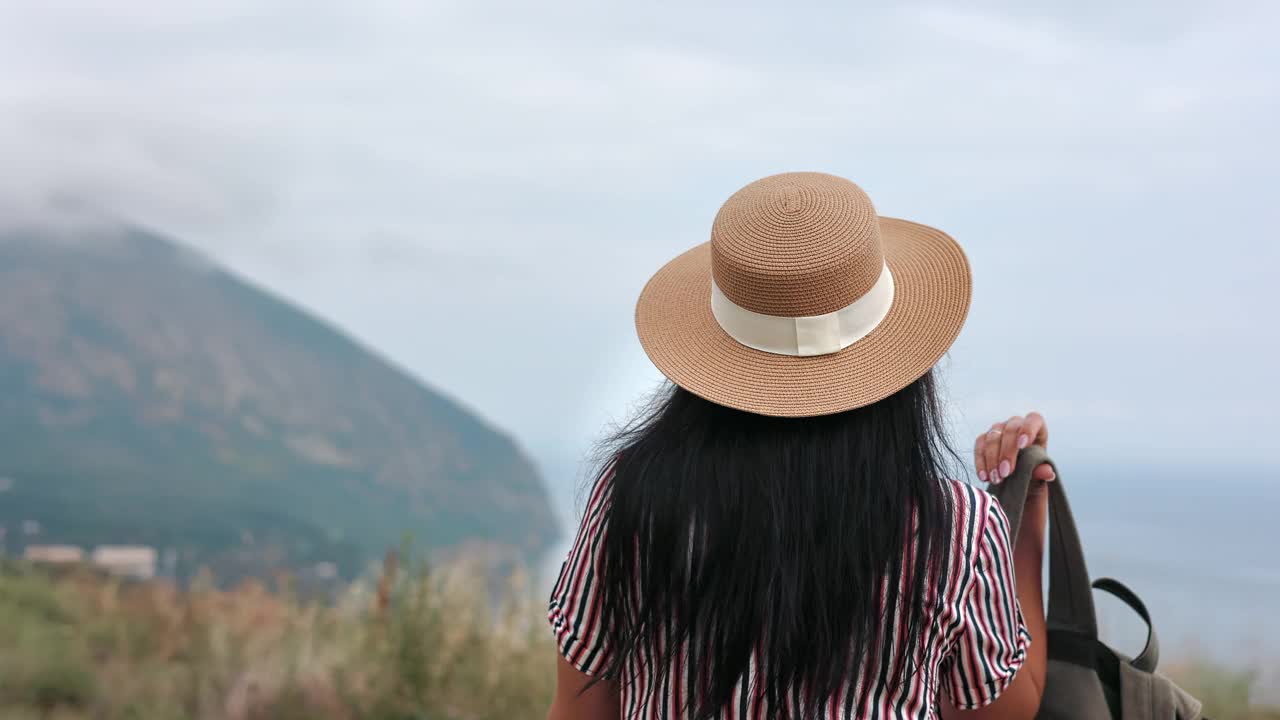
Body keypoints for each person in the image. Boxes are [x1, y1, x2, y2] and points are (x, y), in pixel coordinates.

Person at [547, 172, 1056, 720]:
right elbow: (1002, 710)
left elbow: (579, 711)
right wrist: (1025, 515)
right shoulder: (955, 530)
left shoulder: (632, 497)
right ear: (899, 365)